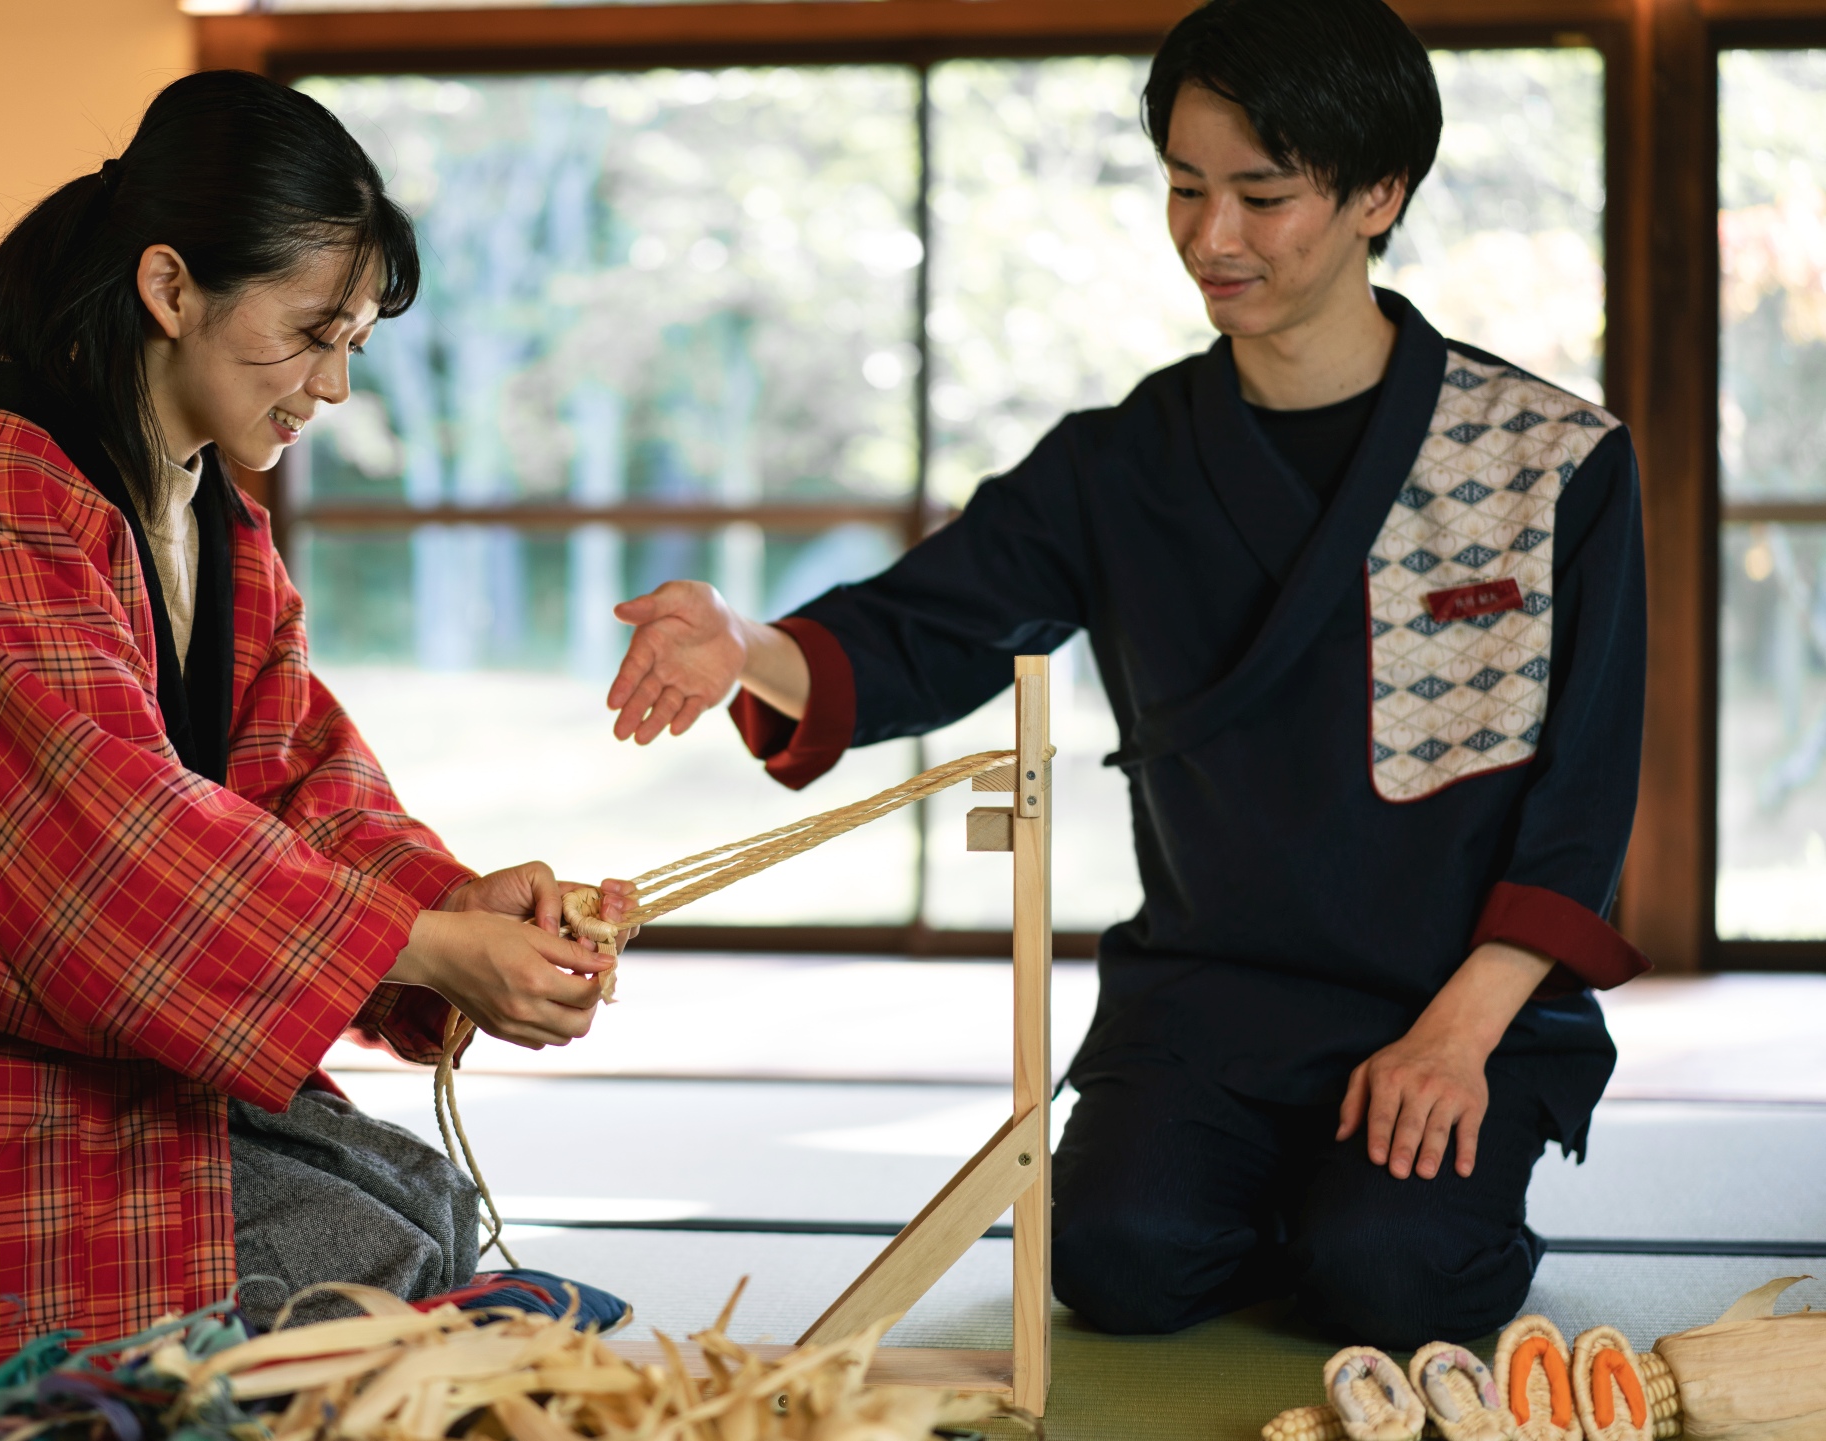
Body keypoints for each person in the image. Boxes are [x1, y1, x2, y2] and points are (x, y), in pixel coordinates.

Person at [605, 0, 1646, 1348]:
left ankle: (1376, 1205)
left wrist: (1462, 1035)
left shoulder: (1550, 459)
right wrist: (741, 645)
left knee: (1389, 1280)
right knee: (1115, 1257)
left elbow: (1588, 791)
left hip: (1455, 1001)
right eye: (1185, 188)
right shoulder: (1119, 464)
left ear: (1380, 193)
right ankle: (1297, 1193)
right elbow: (922, 627)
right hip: (1213, 1005)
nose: (1213, 238)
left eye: (1262, 196)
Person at [0, 71, 632, 1440]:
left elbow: (307, 789)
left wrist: (460, 909)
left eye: (352, 341)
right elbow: (94, 846)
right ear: (171, 287)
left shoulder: (218, 531)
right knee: (370, 1279)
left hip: (52, 1065)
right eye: (309, 331)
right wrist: (405, 945)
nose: (335, 384)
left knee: (422, 1209)